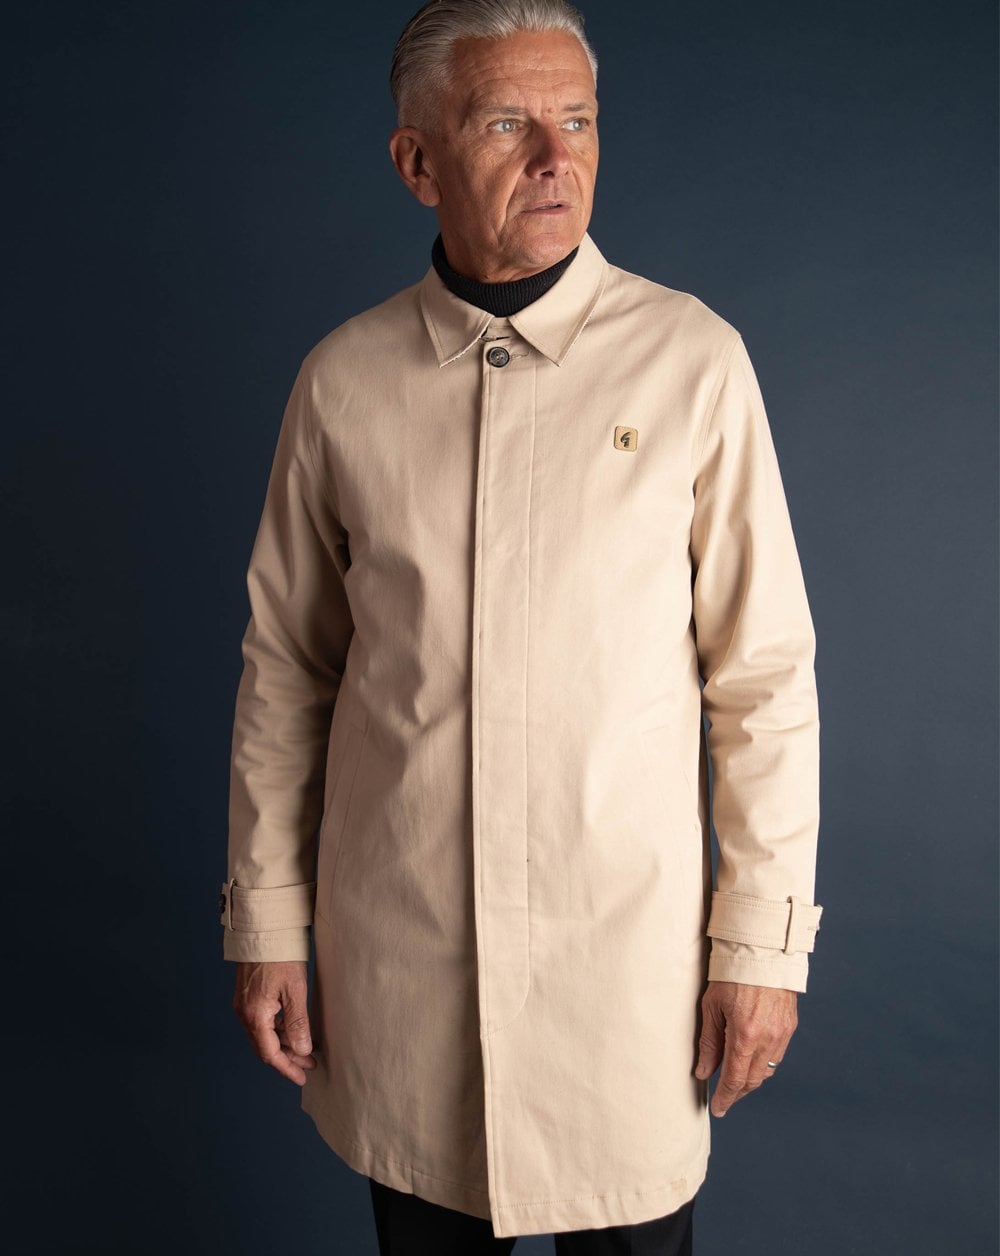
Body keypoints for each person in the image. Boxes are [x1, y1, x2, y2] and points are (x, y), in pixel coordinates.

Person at [219, 1, 824, 1251]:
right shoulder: (342, 382)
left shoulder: (692, 361)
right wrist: (267, 921)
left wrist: (761, 948)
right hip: (406, 962)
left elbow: (762, 680)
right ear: (418, 162)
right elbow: (287, 672)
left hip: (628, 973)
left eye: (578, 120)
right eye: (507, 123)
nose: (557, 157)